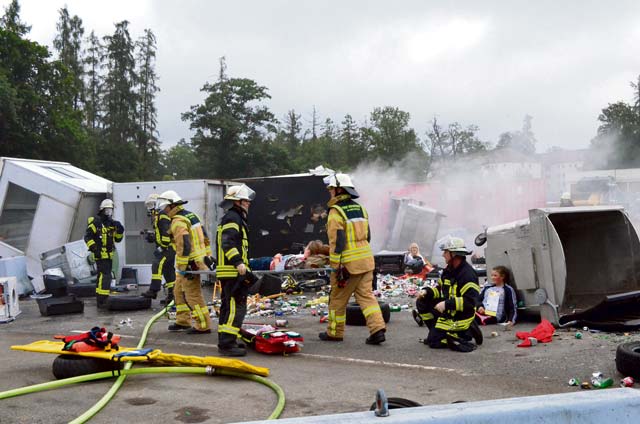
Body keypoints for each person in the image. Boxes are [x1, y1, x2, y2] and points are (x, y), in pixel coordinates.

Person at [319, 173, 386, 345]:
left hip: (347, 266)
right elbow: (368, 236)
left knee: (337, 300)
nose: (330, 192)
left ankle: (334, 333)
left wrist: (336, 266)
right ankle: (377, 330)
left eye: (332, 189)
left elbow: (337, 241)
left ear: (339, 189)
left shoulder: (336, 211)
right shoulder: (361, 209)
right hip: (366, 261)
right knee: (367, 297)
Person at [156, 190, 212, 334]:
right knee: (178, 291)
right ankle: (183, 321)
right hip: (196, 261)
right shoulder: (191, 216)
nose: (164, 210)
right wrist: (208, 255)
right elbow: (204, 237)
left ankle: (203, 325)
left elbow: (184, 245)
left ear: (171, 206)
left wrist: (182, 265)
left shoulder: (178, 221)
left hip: (189, 264)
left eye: (165, 207)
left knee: (193, 295)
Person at [415, 236, 482, 352]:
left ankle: (463, 333)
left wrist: (446, 304)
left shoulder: (468, 275)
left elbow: (470, 302)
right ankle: (437, 331)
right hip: (450, 312)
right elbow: (440, 289)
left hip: (461, 316)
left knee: (434, 341)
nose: (443, 255)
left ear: (454, 254)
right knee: (422, 301)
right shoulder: (448, 270)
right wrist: (426, 291)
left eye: (445, 252)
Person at [216, 184, 256, 357]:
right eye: (246, 201)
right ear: (238, 202)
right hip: (233, 271)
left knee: (228, 306)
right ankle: (227, 343)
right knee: (236, 306)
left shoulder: (232, 217)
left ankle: (225, 339)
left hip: (229, 271)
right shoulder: (233, 218)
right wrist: (238, 263)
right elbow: (228, 242)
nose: (248, 204)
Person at [84, 199, 124, 308]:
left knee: (102, 276)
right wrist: (94, 248)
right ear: (102, 210)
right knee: (105, 276)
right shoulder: (96, 223)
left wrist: (120, 230)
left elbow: (118, 239)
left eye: (110, 210)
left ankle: (100, 297)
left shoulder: (112, 224)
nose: (109, 212)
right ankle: (103, 299)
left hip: (109, 255)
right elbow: (87, 237)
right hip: (100, 254)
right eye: (107, 210)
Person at [142, 194, 176, 303]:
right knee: (168, 271)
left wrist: (162, 246)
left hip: (167, 248)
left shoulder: (162, 215)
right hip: (169, 248)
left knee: (157, 265)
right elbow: (160, 233)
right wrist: (153, 237)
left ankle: (154, 290)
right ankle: (173, 296)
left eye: (151, 205)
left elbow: (166, 232)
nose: (149, 208)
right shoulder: (159, 216)